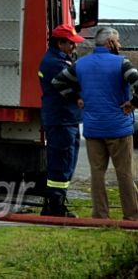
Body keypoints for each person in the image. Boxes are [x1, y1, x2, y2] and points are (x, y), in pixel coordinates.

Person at [53, 27, 138, 221]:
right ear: (109, 43)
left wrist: (76, 98)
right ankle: (132, 216)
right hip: (119, 129)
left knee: (97, 174)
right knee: (124, 173)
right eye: (117, 41)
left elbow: (58, 82)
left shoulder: (81, 64)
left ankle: (100, 215)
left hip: (93, 129)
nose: (120, 45)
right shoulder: (122, 63)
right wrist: (133, 104)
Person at [37, 23, 84, 217]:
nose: (74, 47)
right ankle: (54, 206)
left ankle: (56, 202)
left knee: (66, 162)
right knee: (61, 163)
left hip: (66, 119)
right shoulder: (55, 63)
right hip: (61, 119)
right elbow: (73, 86)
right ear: (60, 43)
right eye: (71, 43)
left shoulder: (60, 60)